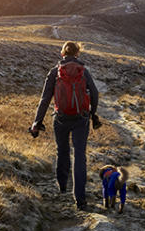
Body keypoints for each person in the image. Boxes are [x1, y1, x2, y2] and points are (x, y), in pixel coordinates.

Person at [30, 41, 101, 210]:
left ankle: (62, 186)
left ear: (62, 53)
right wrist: (93, 114)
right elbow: (95, 93)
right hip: (80, 119)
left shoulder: (55, 72)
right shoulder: (83, 72)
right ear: (77, 54)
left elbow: (45, 99)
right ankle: (80, 199)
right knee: (79, 156)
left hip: (60, 118)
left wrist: (37, 122)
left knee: (62, 151)